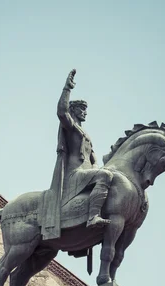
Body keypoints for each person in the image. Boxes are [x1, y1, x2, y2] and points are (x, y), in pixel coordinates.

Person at [41, 69, 113, 240]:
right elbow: (61, 112)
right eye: (81, 108)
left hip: (86, 172)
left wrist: (96, 168)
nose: (85, 112)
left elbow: (93, 160)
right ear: (73, 110)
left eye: (85, 109)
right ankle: (92, 216)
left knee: (108, 174)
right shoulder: (71, 127)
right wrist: (67, 88)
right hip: (74, 174)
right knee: (105, 176)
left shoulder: (86, 134)